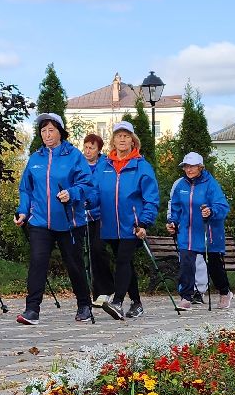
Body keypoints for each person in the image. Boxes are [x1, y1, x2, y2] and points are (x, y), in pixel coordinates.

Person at [15, 113, 93, 325]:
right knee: (38, 263)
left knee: (74, 265)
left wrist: (71, 193)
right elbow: (26, 189)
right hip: (40, 221)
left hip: (69, 222)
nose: (47, 134)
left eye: (51, 130)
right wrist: (23, 211)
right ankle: (32, 310)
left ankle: (84, 305)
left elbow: (86, 185)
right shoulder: (35, 158)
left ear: (60, 132)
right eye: (43, 131)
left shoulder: (74, 156)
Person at [89, 121, 159, 320]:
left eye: (126, 136)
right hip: (108, 224)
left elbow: (151, 198)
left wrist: (144, 222)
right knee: (124, 263)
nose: (122, 139)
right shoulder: (104, 165)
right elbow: (94, 191)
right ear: (113, 140)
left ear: (132, 141)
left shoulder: (142, 166)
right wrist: (88, 202)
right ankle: (136, 303)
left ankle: (118, 302)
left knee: (123, 260)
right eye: (118, 135)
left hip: (132, 225)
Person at [165, 151, 231, 312]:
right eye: (186, 166)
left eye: (193, 166)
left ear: (200, 167)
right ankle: (186, 297)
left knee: (214, 266)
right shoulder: (180, 185)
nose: (189, 169)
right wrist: (172, 222)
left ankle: (225, 292)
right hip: (187, 232)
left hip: (208, 231)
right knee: (186, 264)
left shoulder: (211, 184)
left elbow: (223, 206)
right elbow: (175, 208)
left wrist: (211, 211)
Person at [78, 132, 109, 314]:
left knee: (98, 249)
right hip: (83, 215)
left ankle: (103, 289)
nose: (88, 151)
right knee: (85, 252)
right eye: (86, 147)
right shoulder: (79, 164)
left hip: (101, 214)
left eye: (92, 148)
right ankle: (91, 291)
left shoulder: (104, 164)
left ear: (99, 150)